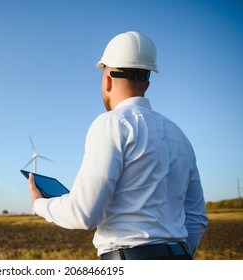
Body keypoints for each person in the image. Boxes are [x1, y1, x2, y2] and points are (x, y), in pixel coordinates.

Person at [27, 31, 208, 260]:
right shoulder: (179, 135)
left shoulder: (112, 124)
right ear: (147, 84)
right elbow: (196, 218)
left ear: (107, 79)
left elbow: (84, 213)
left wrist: (40, 204)